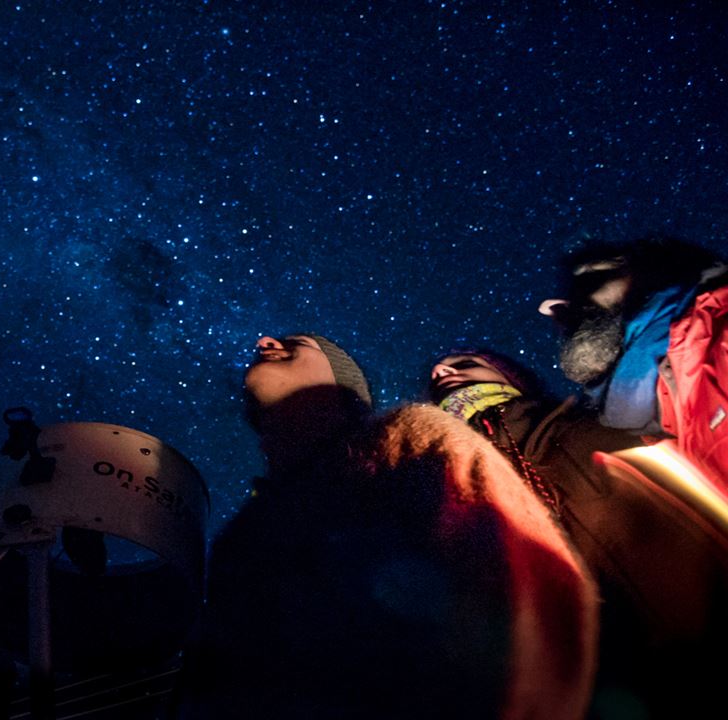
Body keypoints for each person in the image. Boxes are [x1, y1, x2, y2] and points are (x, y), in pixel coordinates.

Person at [174, 334, 598, 719]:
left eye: (297, 343)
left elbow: (524, 614)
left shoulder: (409, 441)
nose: (264, 341)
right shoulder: (243, 533)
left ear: (341, 381)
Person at [429, 349, 728, 718]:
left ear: (511, 376)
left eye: (465, 364)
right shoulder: (439, 482)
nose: (441, 370)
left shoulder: (601, 420)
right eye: (437, 374)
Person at [537, 235, 728, 487]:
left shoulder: (718, 335)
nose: (562, 308)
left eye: (591, 278)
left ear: (655, 273)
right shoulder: (625, 430)